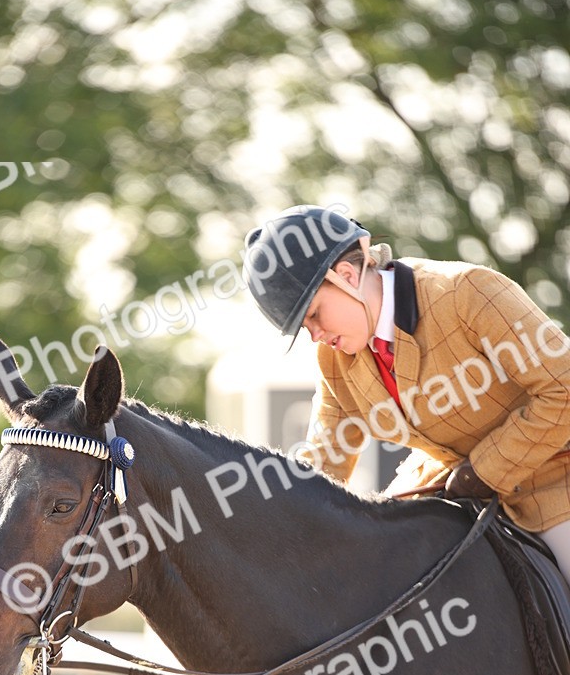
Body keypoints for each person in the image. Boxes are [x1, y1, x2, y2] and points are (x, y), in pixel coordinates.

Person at [242, 203, 570, 584]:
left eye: (314, 314)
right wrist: (276, 528)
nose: (315, 334)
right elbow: (326, 457)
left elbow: (563, 390)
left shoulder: (468, 292)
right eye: (304, 328)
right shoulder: (333, 359)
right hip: (443, 489)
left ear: (347, 275)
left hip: (552, 478)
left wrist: (485, 469)